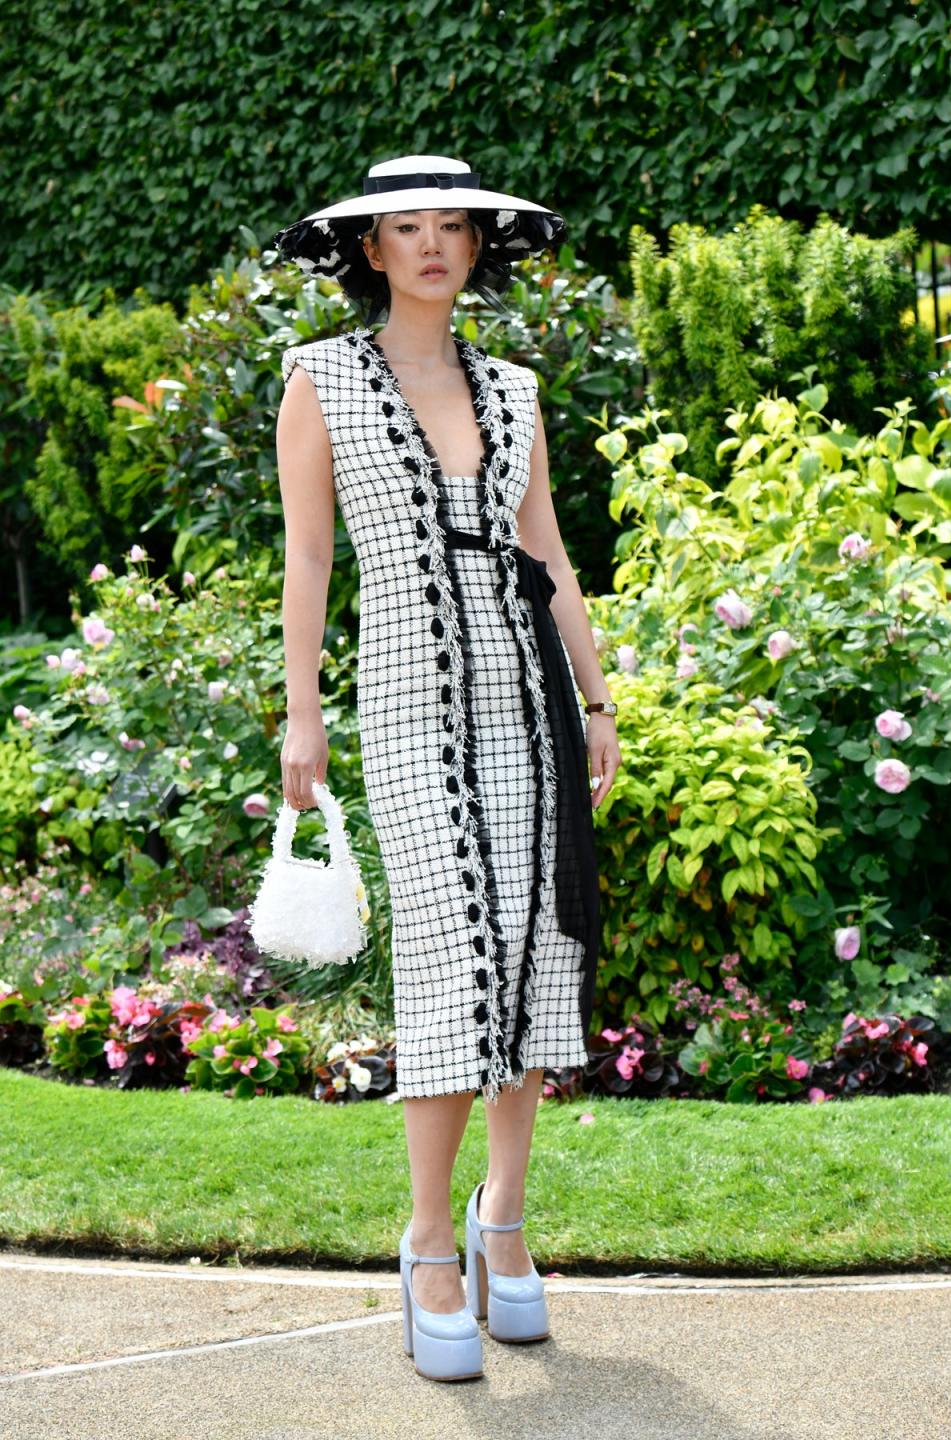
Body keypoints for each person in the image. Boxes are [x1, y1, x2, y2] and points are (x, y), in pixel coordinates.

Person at [272, 155, 621, 1382]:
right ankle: (426, 1242)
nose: (429, 245)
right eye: (403, 228)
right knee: (448, 954)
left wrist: (597, 696)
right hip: (414, 709)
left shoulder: (518, 390)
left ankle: (505, 1225)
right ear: (369, 250)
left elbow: (553, 555)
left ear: (479, 246)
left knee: (534, 950)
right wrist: (300, 714)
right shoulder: (319, 379)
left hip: (527, 694)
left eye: (450, 227)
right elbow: (308, 560)